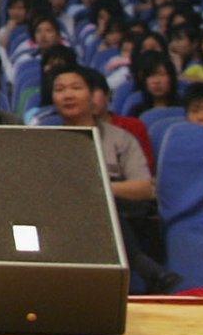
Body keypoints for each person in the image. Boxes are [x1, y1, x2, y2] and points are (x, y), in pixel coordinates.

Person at [48, 67, 176, 294]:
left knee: (101, 202)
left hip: (121, 212)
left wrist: (99, 189)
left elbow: (145, 188)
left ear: (93, 96)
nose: (67, 95)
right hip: (61, 218)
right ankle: (140, 263)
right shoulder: (45, 141)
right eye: (60, 89)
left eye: (76, 88)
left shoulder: (121, 139)